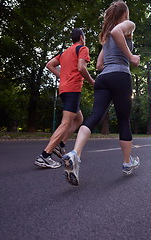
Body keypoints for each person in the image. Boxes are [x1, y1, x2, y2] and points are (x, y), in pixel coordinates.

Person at [62, 0, 140, 186]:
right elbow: (117, 32)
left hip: (104, 78)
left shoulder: (105, 37)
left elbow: (98, 65)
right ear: (125, 14)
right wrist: (130, 57)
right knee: (123, 120)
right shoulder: (128, 25)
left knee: (94, 117)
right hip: (120, 75)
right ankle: (127, 163)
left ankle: (75, 153)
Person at [35, 28, 95, 169]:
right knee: (66, 123)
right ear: (81, 37)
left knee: (79, 119)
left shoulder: (65, 52)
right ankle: (45, 155)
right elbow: (81, 67)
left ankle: (60, 145)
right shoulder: (82, 48)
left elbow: (49, 64)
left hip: (64, 89)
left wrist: (62, 76)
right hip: (73, 89)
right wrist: (92, 82)